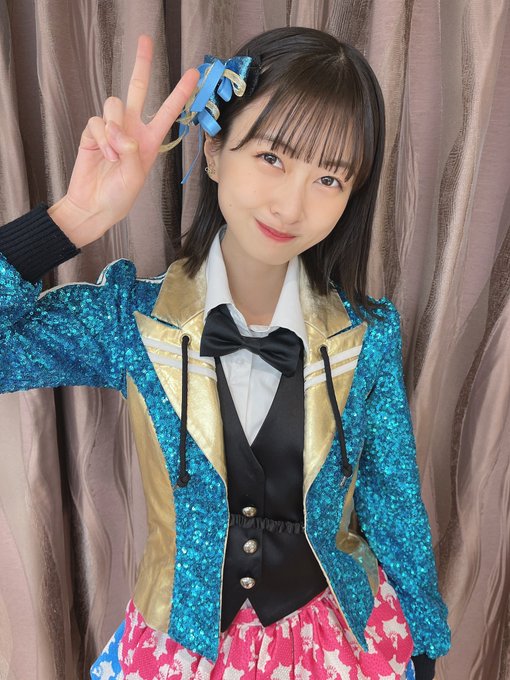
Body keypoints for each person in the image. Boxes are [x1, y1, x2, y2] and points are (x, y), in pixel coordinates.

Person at [0, 27, 450, 680]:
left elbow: (393, 506)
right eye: (272, 157)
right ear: (213, 151)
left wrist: (425, 651)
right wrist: (70, 219)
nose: (291, 205)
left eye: (329, 177)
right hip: (179, 648)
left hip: (339, 647)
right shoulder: (131, 319)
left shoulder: (368, 335)